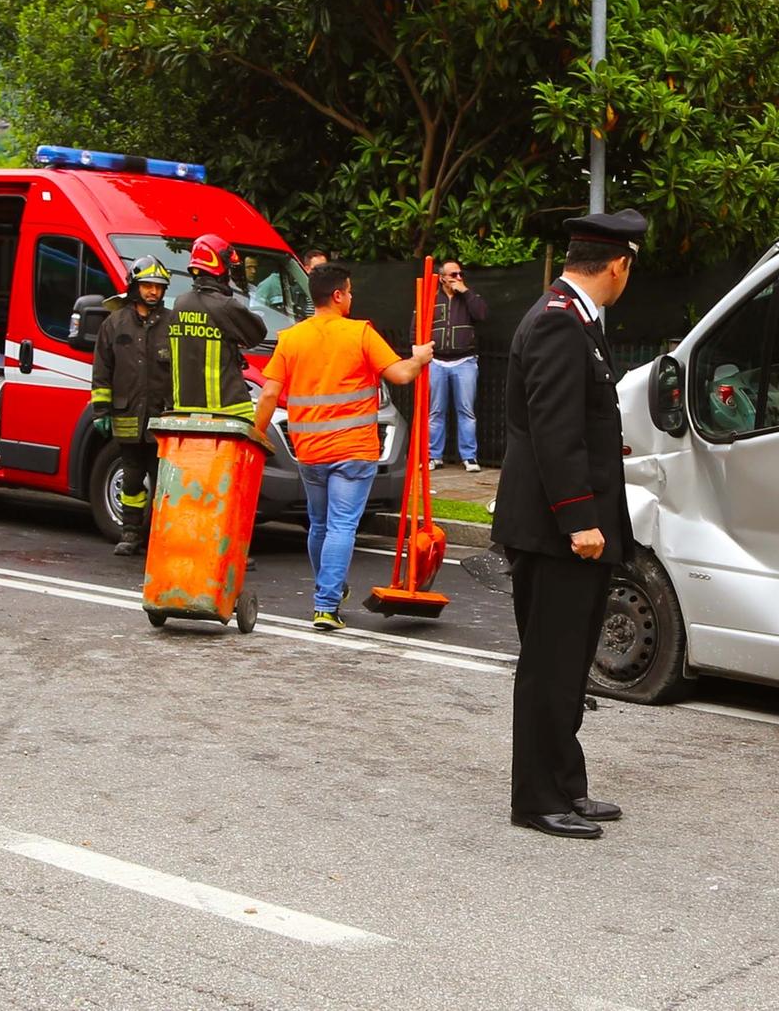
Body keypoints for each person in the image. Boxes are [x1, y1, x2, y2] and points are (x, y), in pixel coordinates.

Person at [495, 208, 647, 839]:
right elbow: (555, 432)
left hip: (568, 527)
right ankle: (536, 798)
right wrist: (580, 520)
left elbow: (573, 425)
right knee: (550, 668)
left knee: (568, 664)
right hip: (558, 533)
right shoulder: (560, 325)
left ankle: (565, 784)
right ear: (618, 264)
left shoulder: (571, 317)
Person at [251, 262, 431, 631]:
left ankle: (328, 590)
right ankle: (326, 604)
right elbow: (399, 374)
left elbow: (269, 392)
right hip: (353, 450)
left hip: (309, 451)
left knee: (319, 525)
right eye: (348, 291)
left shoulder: (291, 338)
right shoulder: (360, 333)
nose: (351, 297)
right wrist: (420, 358)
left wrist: (257, 435)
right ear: (337, 295)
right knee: (341, 527)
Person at [91, 255, 176, 556]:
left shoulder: (172, 323)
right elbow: (102, 370)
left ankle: (160, 536)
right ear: (134, 285)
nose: (153, 292)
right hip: (127, 418)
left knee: (165, 483)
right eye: (148, 285)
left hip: (162, 419)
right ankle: (130, 532)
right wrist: (101, 411)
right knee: (131, 479)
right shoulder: (114, 324)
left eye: (159, 287)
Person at [166, 234, 266, 422]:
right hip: (226, 412)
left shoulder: (180, 304)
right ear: (220, 267)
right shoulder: (225, 306)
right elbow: (257, 333)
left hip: (184, 412)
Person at [428, 261, 491, 473]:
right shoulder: (431, 299)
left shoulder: (470, 297)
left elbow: (482, 314)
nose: (458, 277)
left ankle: (469, 457)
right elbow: (416, 327)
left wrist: (465, 291)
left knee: (466, 410)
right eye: (453, 274)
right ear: (442, 278)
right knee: (436, 411)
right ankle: (433, 456)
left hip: (465, 361)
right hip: (436, 361)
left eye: (460, 273)